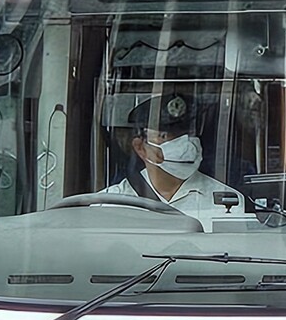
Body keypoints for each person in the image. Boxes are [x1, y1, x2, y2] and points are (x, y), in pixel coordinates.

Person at [101, 92, 241, 224]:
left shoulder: (228, 201)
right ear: (141, 148)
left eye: (188, 132)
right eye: (164, 135)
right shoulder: (109, 203)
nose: (185, 143)